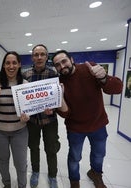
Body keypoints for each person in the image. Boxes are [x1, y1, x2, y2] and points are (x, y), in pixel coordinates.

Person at [51, 50, 123, 188]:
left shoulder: (89, 68)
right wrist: (60, 98)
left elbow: (118, 88)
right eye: (57, 65)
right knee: (74, 157)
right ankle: (74, 181)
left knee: (99, 155)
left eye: (64, 61)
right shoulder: (59, 84)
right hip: (75, 129)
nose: (62, 66)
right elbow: (66, 114)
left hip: (98, 124)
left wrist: (103, 78)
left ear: (71, 60)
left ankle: (96, 174)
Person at [0, 51, 30, 188]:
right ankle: (7, 184)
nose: (11, 66)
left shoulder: (25, 83)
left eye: (14, 63)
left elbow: (29, 107)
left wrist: (28, 115)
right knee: (3, 159)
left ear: (19, 65)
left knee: (20, 162)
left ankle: (22, 185)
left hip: (20, 130)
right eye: (8, 63)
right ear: (4, 65)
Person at [22, 44, 60, 188]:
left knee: (51, 148)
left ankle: (52, 176)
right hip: (32, 120)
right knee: (33, 147)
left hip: (49, 119)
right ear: (32, 57)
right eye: (36, 54)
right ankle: (35, 172)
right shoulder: (25, 75)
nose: (39, 57)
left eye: (42, 54)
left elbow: (58, 98)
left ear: (46, 56)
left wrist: (54, 106)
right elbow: (22, 98)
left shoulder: (54, 74)